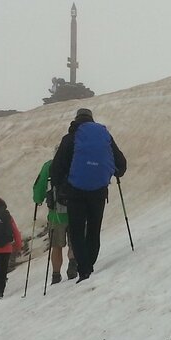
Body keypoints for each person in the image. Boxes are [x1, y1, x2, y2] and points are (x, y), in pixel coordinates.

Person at [49, 108, 127, 282]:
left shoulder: (70, 139)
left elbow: (56, 169)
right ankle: (90, 265)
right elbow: (121, 164)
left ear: (76, 120)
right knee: (93, 230)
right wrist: (115, 173)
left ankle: (83, 269)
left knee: (76, 232)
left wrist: (61, 188)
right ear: (91, 120)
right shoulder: (104, 137)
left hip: (75, 192)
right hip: (98, 192)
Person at [32, 155, 77, 284]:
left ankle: (56, 275)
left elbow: (39, 187)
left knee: (57, 246)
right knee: (74, 241)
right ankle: (73, 264)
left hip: (56, 214)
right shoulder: (76, 162)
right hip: (76, 210)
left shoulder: (49, 166)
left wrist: (38, 199)